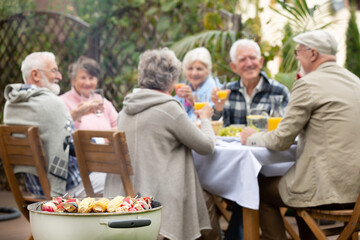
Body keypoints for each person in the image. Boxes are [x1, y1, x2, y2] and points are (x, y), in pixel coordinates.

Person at [240, 30, 360, 239]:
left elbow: (280, 140)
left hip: (327, 191)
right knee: (298, 181)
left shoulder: (308, 83)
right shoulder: (356, 82)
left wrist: (251, 137)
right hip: (356, 192)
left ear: (312, 54)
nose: (296, 57)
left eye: (298, 52)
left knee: (256, 188)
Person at [104, 48, 222, 240]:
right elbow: (207, 146)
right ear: (172, 79)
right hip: (159, 197)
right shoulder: (169, 108)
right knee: (207, 195)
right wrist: (206, 118)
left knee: (205, 196)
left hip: (126, 193)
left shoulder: (125, 109)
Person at [3, 52, 103, 197]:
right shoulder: (53, 103)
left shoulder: (11, 106)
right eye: (54, 71)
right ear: (36, 75)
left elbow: (55, 132)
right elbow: (77, 147)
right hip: (68, 187)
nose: (60, 76)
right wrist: (99, 142)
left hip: (35, 188)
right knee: (121, 177)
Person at [211, 39, 290, 126]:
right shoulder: (227, 92)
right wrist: (218, 109)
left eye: (252, 58)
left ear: (261, 62)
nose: (249, 63)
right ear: (233, 67)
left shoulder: (279, 91)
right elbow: (216, 127)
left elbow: (288, 127)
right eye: (242, 59)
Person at [60, 56, 118, 130]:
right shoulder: (62, 102)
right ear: (73, 80)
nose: (87, 83)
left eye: (91, 78)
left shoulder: (103, 102)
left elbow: (118, 126)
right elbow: (60, 129)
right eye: (83, 78)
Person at [174, 47, 220, 121]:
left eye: (199, 69)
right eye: (190, 68)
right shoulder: (185, 87)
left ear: (208, 70)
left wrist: (193, 102)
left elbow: (214, 116)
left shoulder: (215, 89)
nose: (194, 73)